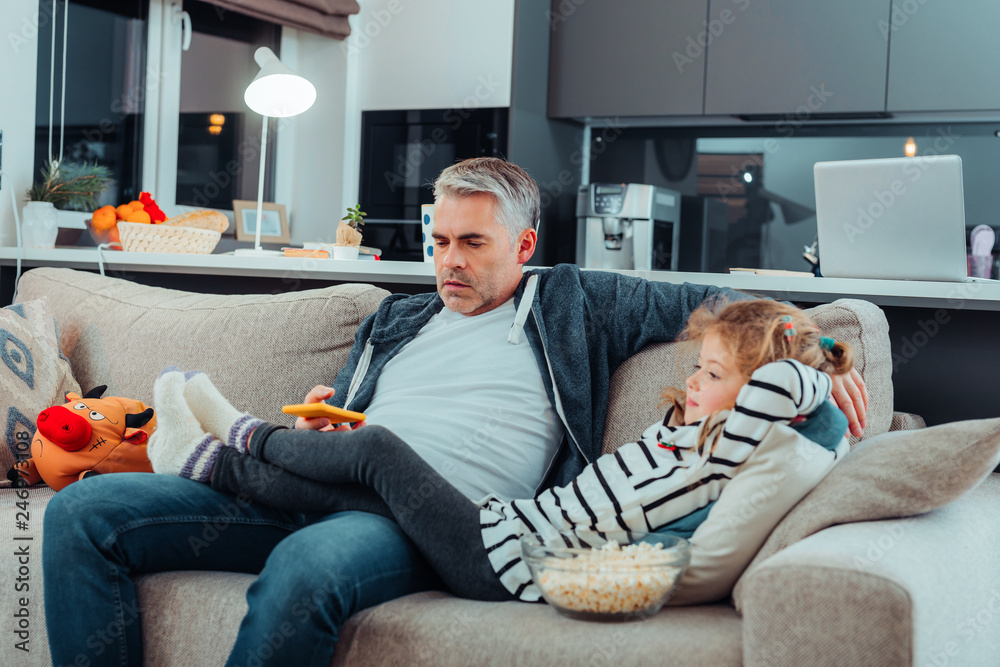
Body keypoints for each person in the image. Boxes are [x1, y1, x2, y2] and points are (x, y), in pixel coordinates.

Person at [42, 158, 868, 666]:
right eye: (439, 241)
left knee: (308, 567)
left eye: (472, 243)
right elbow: (350, 415)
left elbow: (728, 303)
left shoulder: (576, 302)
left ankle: (223, 446)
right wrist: (330, 416)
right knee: (84, 512)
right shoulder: (395, 319)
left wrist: (819, 351)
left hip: (432, 520)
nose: (449, 262)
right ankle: (231, 453)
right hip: (318, 481)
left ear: (524, 245)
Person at [146, 298, 853, 603]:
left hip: (508, 561)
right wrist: (761, 361)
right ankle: (207, 459)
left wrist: (817, 360)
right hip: (508, 526)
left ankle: (237, 430)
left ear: (766, 392)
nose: (693, 381)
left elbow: (793, 398)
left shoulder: (732, 451)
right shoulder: (684, 433)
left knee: (379, 450)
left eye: (714, 374)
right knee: (362, 488)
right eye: (698, 366)